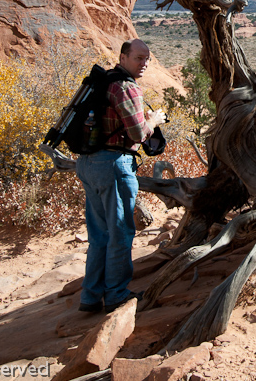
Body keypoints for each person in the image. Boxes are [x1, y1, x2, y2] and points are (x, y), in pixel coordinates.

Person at [77, 39, 166, 313]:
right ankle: (115, 294)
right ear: (123, 57)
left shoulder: (104, 82)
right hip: (113, 164)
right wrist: (155, 120)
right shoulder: (125, 87)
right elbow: (138, 134)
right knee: (120, 232)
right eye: (139, 58)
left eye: (147, 59)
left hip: (88, 163)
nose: (144, 64)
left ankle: (91, 297)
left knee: (99, 234)